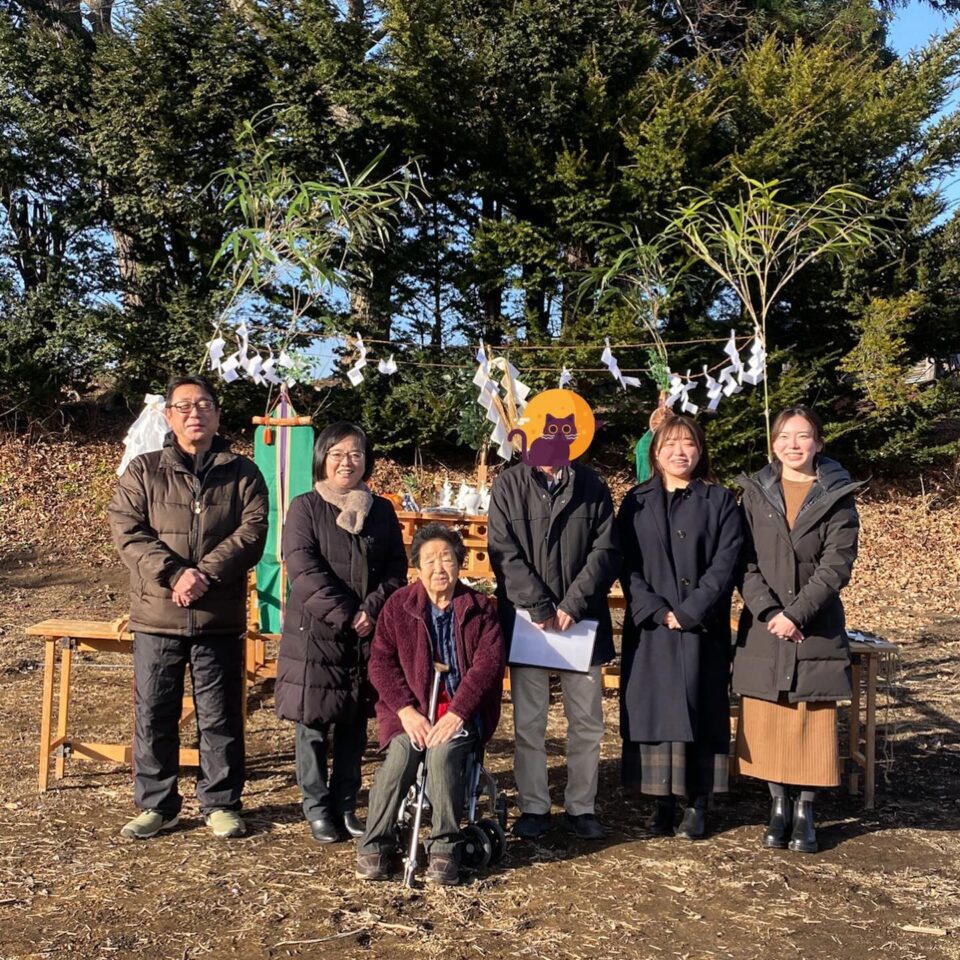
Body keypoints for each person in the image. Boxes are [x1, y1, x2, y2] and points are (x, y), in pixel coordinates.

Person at [108, 375, 269, 840]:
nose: (194, 413)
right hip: (157, 614)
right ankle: (158, 804)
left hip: (217, 615)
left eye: (204, 405)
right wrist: (176, 573)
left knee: (219, 714)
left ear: (218, 414)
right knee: (154, 712)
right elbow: (128, 530)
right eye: (183, 406)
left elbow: (253, 532)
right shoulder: (143, 470)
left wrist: (204, 575)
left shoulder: (243, 473)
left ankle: (220, 801)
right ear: (168, 415)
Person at [732, 405, 864, 854]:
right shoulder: (754, 492)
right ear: (773, 443)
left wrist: (797, 613)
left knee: (811, 716)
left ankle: (806, 809)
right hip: (764, 624)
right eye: (784, 436)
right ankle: (777, 806)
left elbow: (836, 564)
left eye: (803, 436)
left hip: (815, 624)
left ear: (819, 442)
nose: (793, 444)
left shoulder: (837, 494)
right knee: (768, 715)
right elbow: (742, 561)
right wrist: (770, 612)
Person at [274, 421, 408, 844]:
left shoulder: (380, 510)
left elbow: (395, 570)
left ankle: (346, 802)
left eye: (354, 454)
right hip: (316, 632)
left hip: (366, 634)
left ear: (366, 460)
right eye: (337, 454)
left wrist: (371, 610)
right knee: (313, 724)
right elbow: (303, 569)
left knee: (354, 722)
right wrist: (349, 613)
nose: (346, 462)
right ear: (322, 459)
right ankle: (316, 807)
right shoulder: (306, 507)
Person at [356, 523, 506, 885]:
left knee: (442, 753)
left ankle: (444, 848)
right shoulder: (398, 606)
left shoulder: (480, 608)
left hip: (460, 712)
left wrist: (457, 712)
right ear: (417, 567)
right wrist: (406, 711)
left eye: (447, 558)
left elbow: (488, 666)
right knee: (403, 754)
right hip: (410, 712)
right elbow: (380, 662)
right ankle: (375, 845)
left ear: (460, 563)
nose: (439, 568)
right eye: (430, 560)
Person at [617, 415, 742, 840]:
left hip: (701, 627)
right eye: (669, 444)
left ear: (701, 451)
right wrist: (653, 608)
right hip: (652, 627)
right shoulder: (636, 500)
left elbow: (727, 563)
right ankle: (660, 801)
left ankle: (699, 801)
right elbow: (626, 563)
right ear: (655, 452)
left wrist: (691, 611)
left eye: (688, 443)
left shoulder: (720, 500)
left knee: (700, 706)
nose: (679, 451)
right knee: (657, 707)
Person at [488, 447, 620, 840]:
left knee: (587, 723)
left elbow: (606, 549)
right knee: (530, 722)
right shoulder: (509, 484)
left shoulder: (593, 485)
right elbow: (503, 552)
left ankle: (581, 806)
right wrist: (541, 605)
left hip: (581, 621)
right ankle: (534, 806)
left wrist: (573, 605)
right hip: (530, 622)